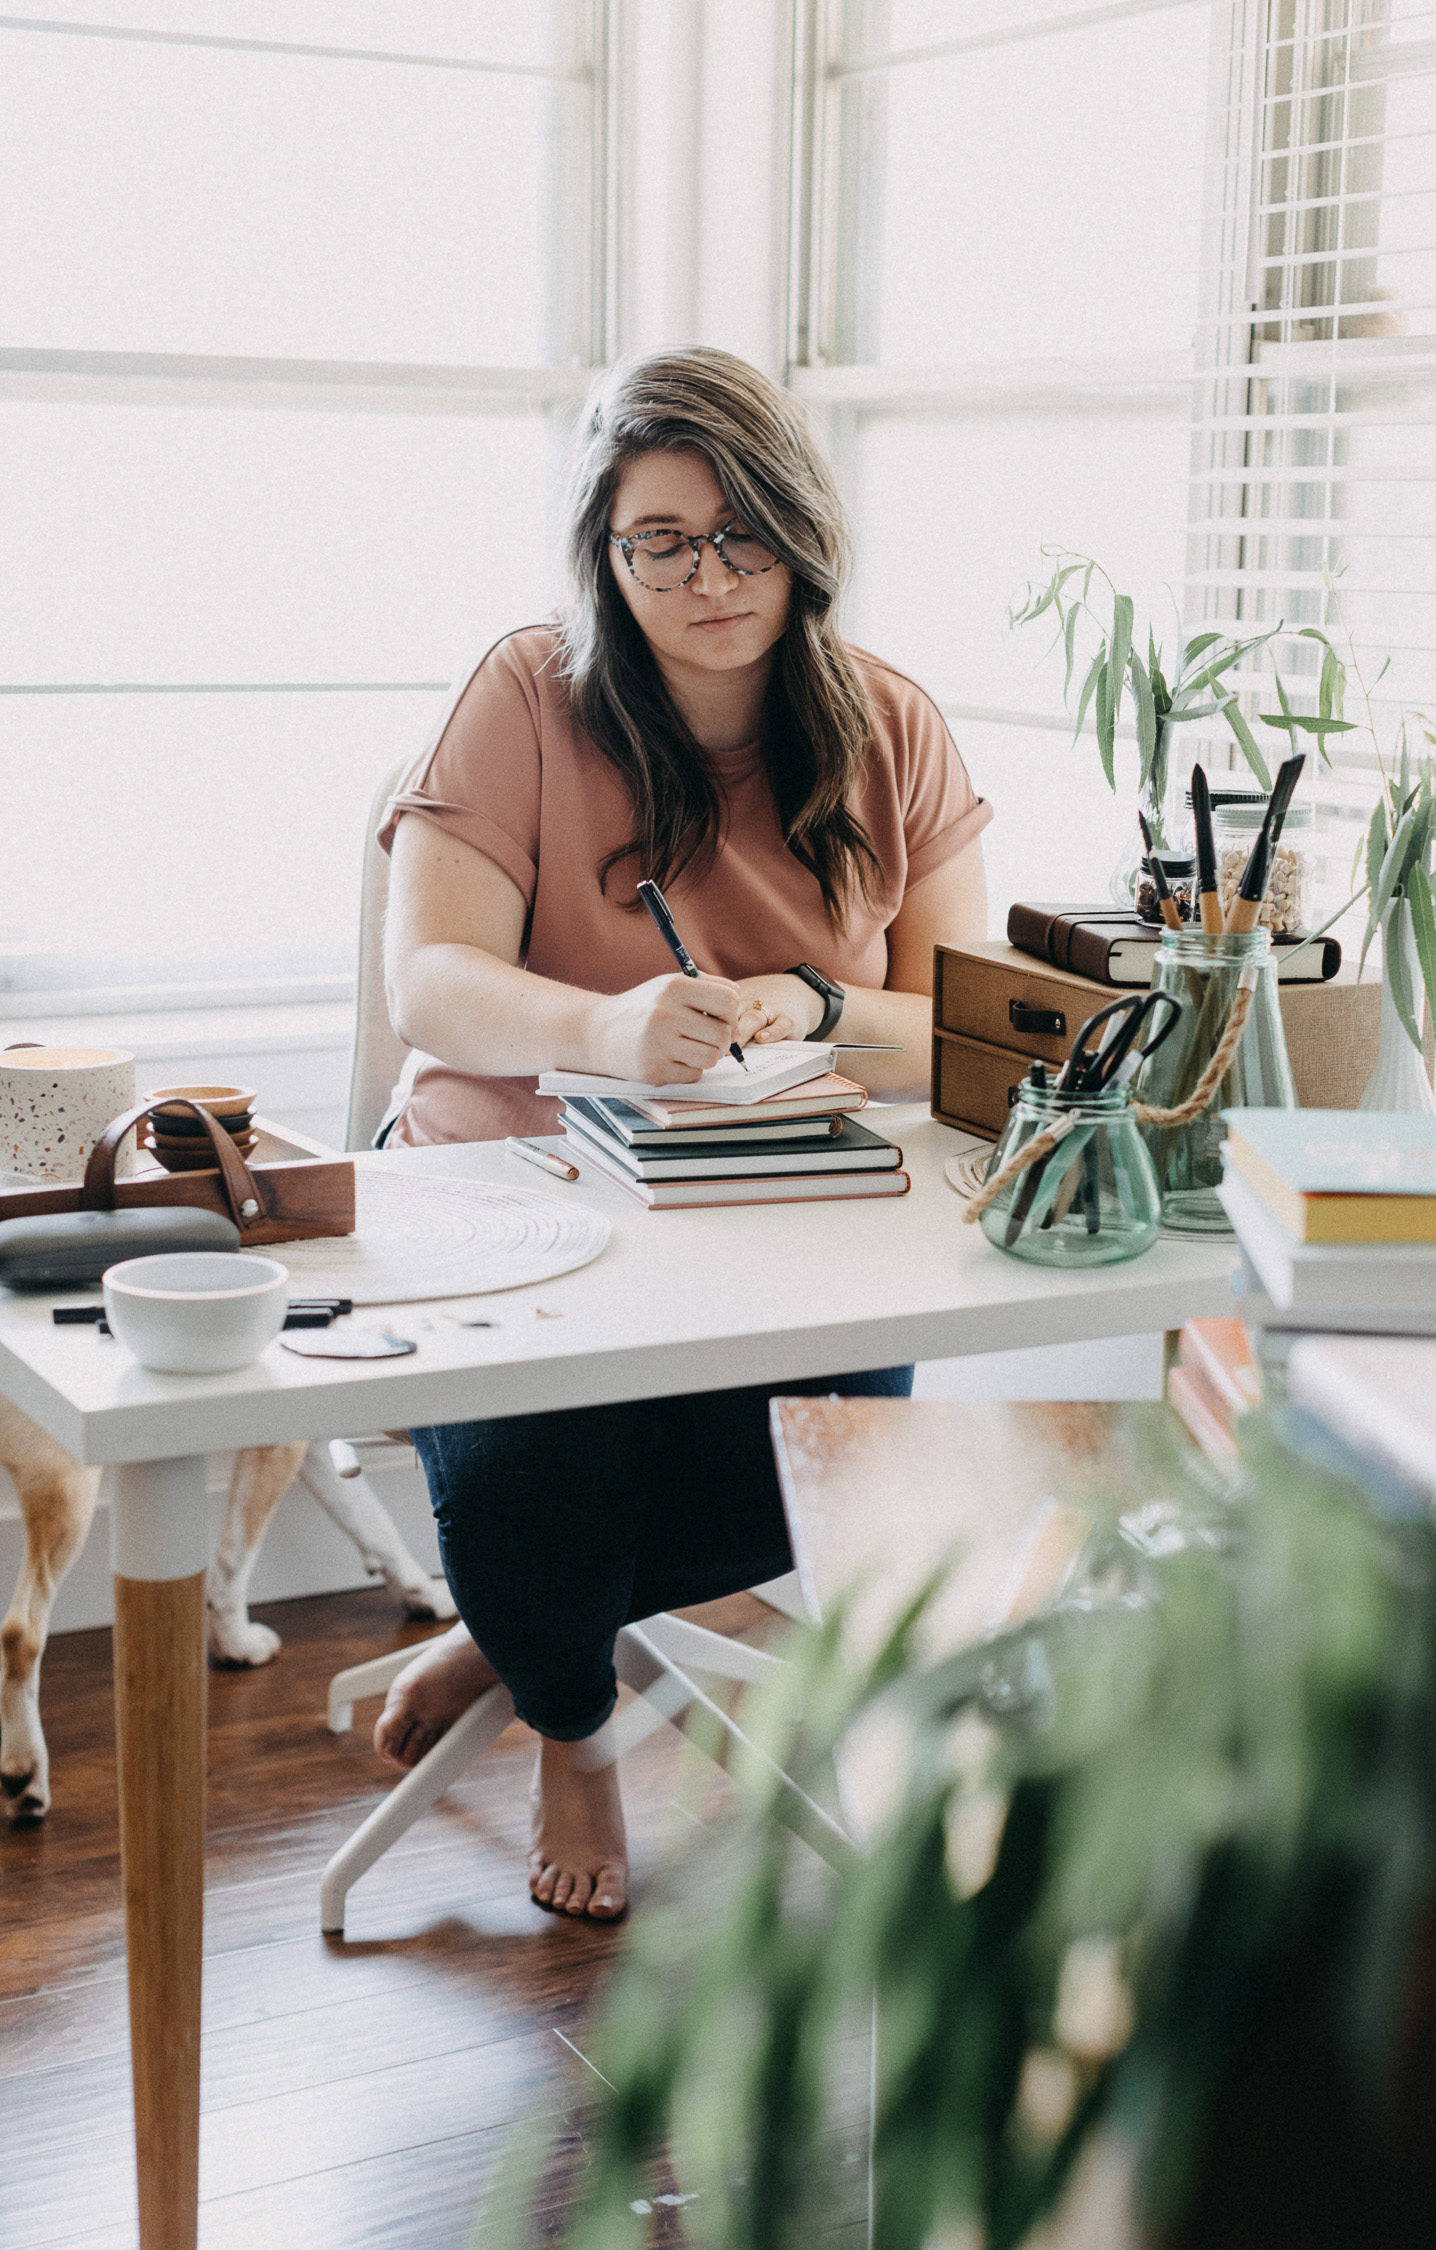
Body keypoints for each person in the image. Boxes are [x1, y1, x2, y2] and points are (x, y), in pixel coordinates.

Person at [373, 347, 990, 1919]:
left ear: (803, 531)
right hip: (506, 1185)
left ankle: (512, 1635)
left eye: (745, 533)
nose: (710, 576)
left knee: (790, 1479)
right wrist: (598, 1025)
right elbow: (429, 984)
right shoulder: (529, 693)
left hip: (787, 1207)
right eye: (660, 542)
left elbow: (976, 1035)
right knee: (541, 1461)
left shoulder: (891, 728)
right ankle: (570, 1723)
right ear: (607, 552)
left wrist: (812, 1000)